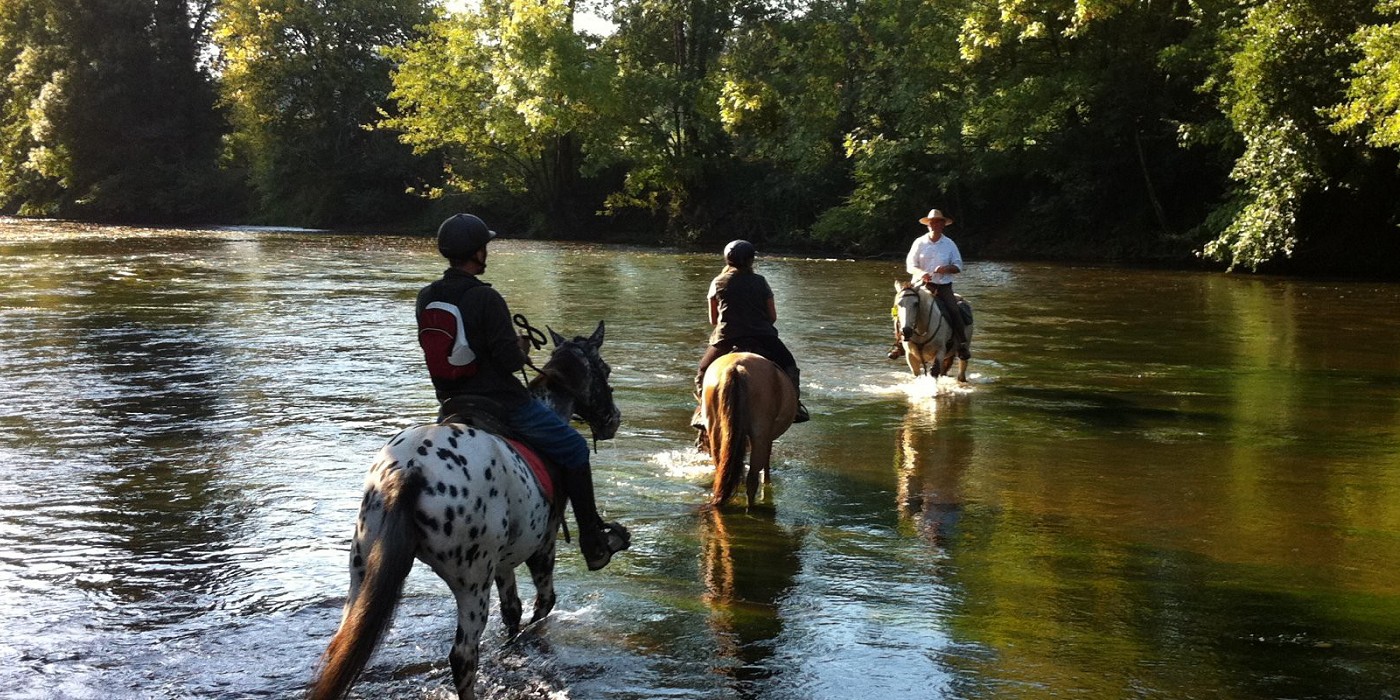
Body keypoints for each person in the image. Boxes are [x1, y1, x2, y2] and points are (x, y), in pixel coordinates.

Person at [415, 213, 629, 571]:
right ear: (476, 252)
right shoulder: (486, 297)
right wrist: (521, 348)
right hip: (501, 404)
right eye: (485, 246)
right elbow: (509, 361)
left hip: (450, 404)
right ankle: (593, 542)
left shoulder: (427, 297)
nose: (487, 252)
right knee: (575, 449)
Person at [693, 240, 809, 424]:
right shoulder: (761, 282)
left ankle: (702, 411)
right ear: (751, 260)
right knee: (789, 365)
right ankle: (795, 408)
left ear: (727, 259)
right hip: (763, 336)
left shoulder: (717, 282)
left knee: (703, 371)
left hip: (726, 337)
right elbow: (772, 316)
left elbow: (713, 320)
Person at [889, 208, 969, 361]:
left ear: (943, 225)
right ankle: (899, 344)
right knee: (899, 307)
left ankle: (962, 344)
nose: (934, 225)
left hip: (942, 286)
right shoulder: (919, 242)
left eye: (938, 222)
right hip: (920, 285)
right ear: (928, 225)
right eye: (932, 223)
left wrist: (946, 269)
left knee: (954, 309)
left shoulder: (949, 244)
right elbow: (910, 265)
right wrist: (920, 273)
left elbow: (958, 266)